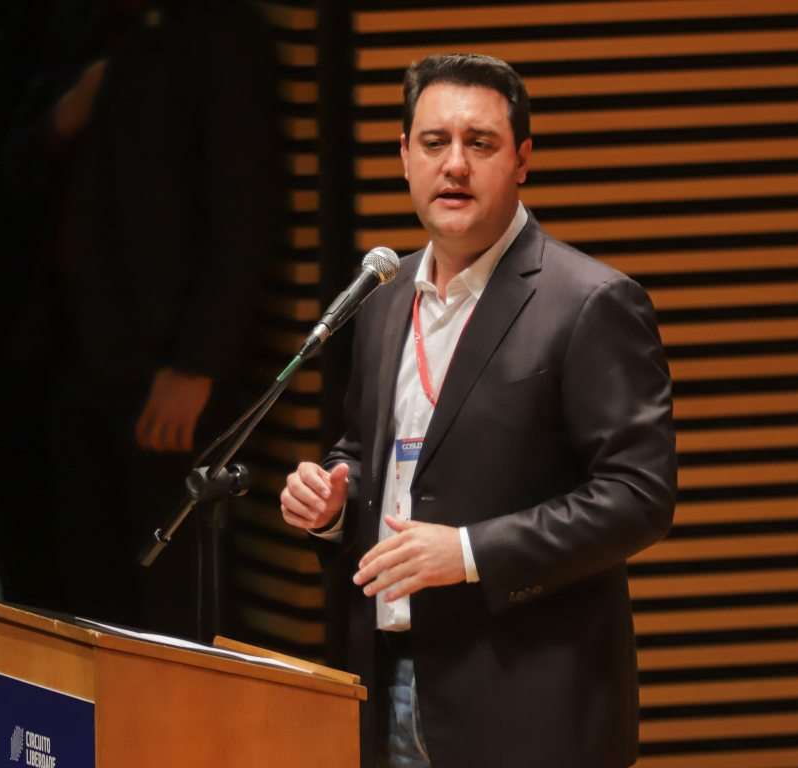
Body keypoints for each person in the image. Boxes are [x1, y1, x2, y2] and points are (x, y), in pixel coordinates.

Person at [280, 54, 677, 768]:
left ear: (522, 159)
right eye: (434, 143)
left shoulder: (588, 303)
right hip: (386, 682)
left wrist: (467, 553)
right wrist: (335, 501)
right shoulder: (384, 295)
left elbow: (637, 497)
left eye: (480, 143)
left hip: (528, 703)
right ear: (405, 157)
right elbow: (368, 454)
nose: (454, 165)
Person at [30, 0, 284, 640]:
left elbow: (244, 211)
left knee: (172, 594)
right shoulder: (102, 25)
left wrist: (198, 362)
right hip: (82, 354)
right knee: (88, 590)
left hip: (169, 363)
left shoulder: (221, 31)